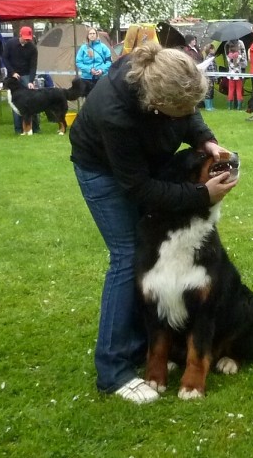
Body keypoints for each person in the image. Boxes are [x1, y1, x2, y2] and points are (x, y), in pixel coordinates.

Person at [69, 41, 237, 404]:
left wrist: (206, 140)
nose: (189, 113)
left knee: (151, 254)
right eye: (180, 110)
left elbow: (189, 109)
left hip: (142, 162)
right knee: (128, 254)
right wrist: (201, 196)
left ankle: (147, 345)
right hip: (102, 170)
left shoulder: (168, 70)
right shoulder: (116, 113)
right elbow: (139, 188)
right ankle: (113, 370)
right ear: (155, 106)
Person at [3, 26, 41, 134]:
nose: (27, 40)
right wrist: (12, 72)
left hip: (26, 75)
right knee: (16, 102)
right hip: (13, 75)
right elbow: (4, 58)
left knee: (34, 102)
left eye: (28, 39)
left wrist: (31, 81)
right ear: (20, 35)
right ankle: (18, 129)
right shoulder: (10, 44)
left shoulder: (33, 48)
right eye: (25, 38)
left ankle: (35, 128)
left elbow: (33, 66)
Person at [75, 28, 112, 94]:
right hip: (87, 79)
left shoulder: (103, 47)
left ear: (96, 35)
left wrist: (102, 70)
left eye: (93, 33)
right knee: (88, 98)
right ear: (88, 36)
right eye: (90, 34)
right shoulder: (83, 48)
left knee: (101, 97)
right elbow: (78, 62)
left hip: (101, 78)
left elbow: (109, 62)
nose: (92, 35)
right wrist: (89, 70)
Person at [225, 40, 246, 110]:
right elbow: (243, 61)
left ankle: (229, 107)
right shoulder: (239, 56)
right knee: (238, 91)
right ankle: (238, 107)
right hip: (238, 75)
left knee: (230, 91)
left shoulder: (228, 56)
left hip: (231, 75)